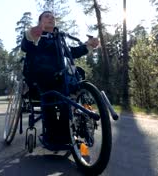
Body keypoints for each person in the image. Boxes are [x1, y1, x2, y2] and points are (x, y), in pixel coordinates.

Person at [21, 11, 99, 146]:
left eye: (53, 17)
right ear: (40, 21)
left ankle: (66, 134)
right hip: (40, 77)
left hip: (61, 78)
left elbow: (72, 53)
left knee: (66, 99)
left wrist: (88, 45)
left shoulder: (59, 39)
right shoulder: (35, 36)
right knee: (50, 97)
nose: (51, 18)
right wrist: (31, 34)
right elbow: (26, 46)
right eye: (47, 16)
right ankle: (53, 136)